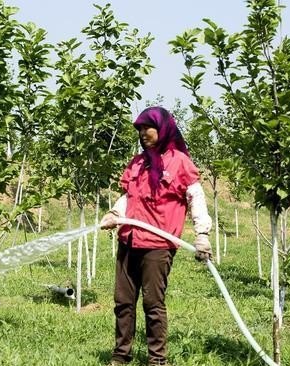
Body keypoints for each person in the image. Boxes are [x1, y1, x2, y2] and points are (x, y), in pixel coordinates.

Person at [100, 106, 213, 366]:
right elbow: (130, 197)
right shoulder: (138, 163)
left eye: (146, 128)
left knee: (153, 303)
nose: (142, 133)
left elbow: (195, 198)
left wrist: (202, 234)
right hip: (128, 241)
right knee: (123, 302)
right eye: (139, 129)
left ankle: (157, 359)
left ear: (162, 128)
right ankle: (120, 356)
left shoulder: (180, 161)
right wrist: (114, 213)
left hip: (158, 245)